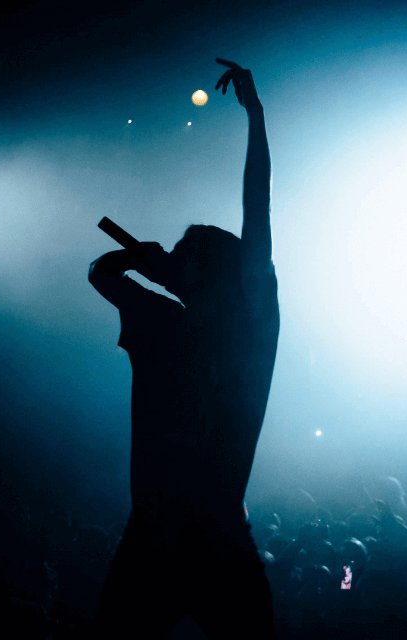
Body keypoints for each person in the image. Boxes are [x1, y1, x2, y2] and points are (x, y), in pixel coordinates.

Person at [90, 58, 279, 638]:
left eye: (186, 253)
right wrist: (153, 263)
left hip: (199, 533)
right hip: (170, 534)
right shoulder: (164, 320)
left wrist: (256, 116)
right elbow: (101, 272)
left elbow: (257, 212)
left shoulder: (244, 326)